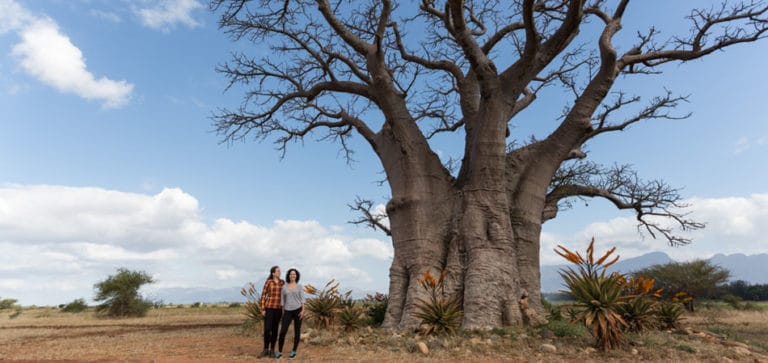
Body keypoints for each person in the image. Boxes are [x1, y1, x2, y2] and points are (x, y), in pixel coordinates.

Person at [275, 268, 306, 359]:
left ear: (296, 276)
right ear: (289, 275)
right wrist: (283, 313)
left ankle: (293, 351)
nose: (293, 275)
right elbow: (282, 301)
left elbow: (302, 300)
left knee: (297, 332)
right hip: (287, 311)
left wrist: (303, 311)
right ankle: (279, 352)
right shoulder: (284, 287)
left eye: (294, 274)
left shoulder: (299, 286)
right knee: (283, 332)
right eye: (291, 274)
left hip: (298, 310)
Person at [258, 266, 284, 358]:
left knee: (275, 330)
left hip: (278, 309)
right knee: (267, 329)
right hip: (269, 308)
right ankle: (265, 349)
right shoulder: (268, 282)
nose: (279, 272)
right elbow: (263, 295)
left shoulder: (282, 282)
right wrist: (263, 309)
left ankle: (272, 350)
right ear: (273, 273)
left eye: (280, 271)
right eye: (277, 271)